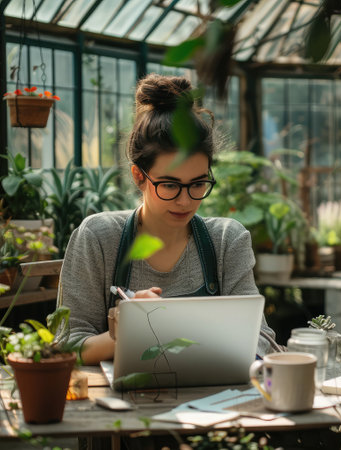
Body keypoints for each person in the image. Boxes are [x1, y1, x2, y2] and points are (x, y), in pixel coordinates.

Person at [58, 73, 277, 365]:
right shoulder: (98, 238)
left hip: (213, 400)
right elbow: (68, 345)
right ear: (139, 176)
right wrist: (128, 330)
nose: (186, 201)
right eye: (170, 185)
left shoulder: (227, 240)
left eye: (198, 183)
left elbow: (262, 338)